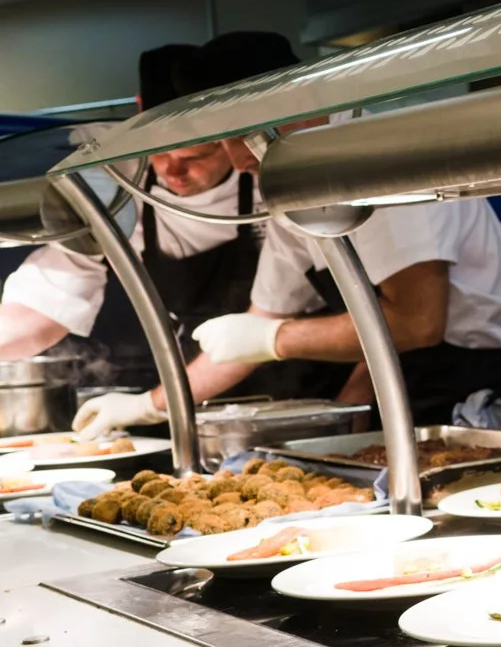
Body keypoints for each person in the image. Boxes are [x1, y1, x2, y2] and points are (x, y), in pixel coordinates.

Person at [5, 34, 345, 406]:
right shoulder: (117, 179)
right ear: (138, 114)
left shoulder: (268, 172)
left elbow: (270, 314)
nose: (173, 170)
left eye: (197, 156)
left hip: (306, 385)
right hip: (194, 383)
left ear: (229, 135)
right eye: (157, 153)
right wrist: (153, 405)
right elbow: (51, 298)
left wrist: (151, 405)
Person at [144, 193, 501, 435]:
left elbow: (415, 324)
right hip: (415, 394)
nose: (236, 161)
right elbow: (262, 319)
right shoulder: (289, 200)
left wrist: (273, 339)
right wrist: (148, 406)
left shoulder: (382, 170)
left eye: (230, 141)